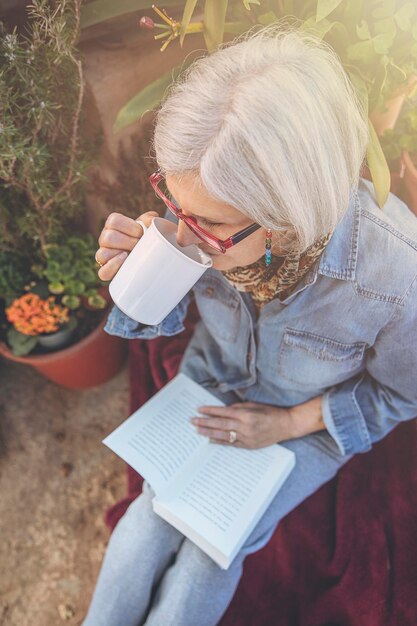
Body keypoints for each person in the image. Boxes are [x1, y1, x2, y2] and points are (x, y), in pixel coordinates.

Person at [82, 21, 417, 626]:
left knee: (212, 552)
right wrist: (136, 280)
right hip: (213, 380)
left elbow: (404, 393)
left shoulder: (394, 276)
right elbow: (163, 316)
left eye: (203, 225)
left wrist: (289, 422)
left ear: (287, 217)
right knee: (144, 520)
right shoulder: (208, 205)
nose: (183, 234)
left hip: (307, 418)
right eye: (172, 203)